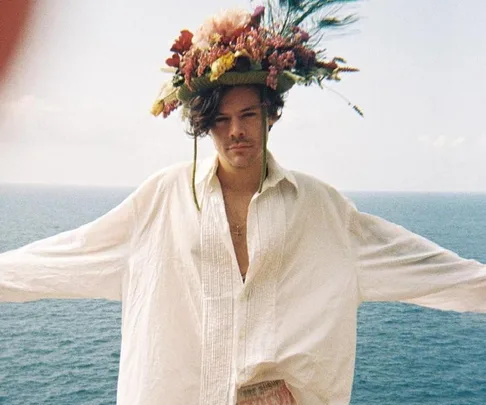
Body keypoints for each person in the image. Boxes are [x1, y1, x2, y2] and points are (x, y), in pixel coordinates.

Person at [1, 4, 485, 405]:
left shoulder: (321, 209)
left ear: (270, 116)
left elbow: (429, 267)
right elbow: (66, 255)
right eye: (223, 119)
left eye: (249, 114)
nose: (236, 130)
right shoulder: (163, 200)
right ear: (205, 126)